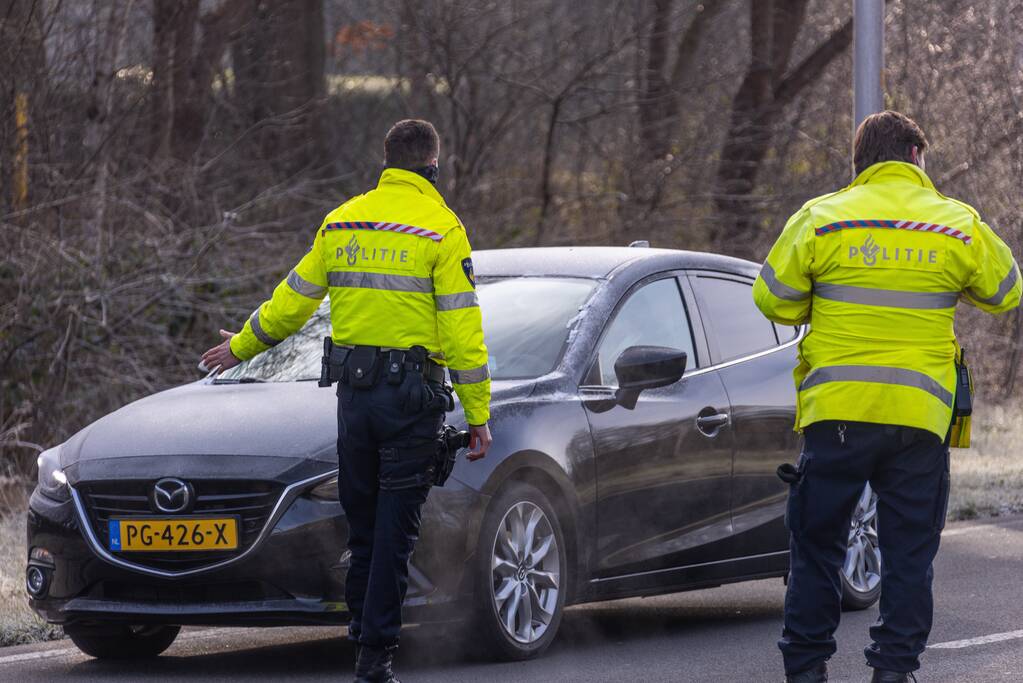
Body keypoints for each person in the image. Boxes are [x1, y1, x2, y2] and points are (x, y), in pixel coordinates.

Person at [200, 119, 493, 682]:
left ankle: (360, 638)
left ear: (385, 164)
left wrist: (240, 347)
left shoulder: (343, 221)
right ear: (433, 166)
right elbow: (461, 331)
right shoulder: (441, 228)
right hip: (412, 400)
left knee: (362, 525)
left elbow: (292, 302)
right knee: (394, 530)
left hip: (354, 399)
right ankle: (375, 659)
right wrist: (478, 413)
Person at [753, 110, 1021, 683]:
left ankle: (805, 670)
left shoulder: (821, 219)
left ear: (860, 163)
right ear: (917, 159)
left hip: (836, 416)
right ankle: (893, 673)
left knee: (818, 545)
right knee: (908, 556)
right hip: (918, 421)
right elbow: (1006, 291)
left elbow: (771, 297)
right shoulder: (956, 224)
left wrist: (818, 299)